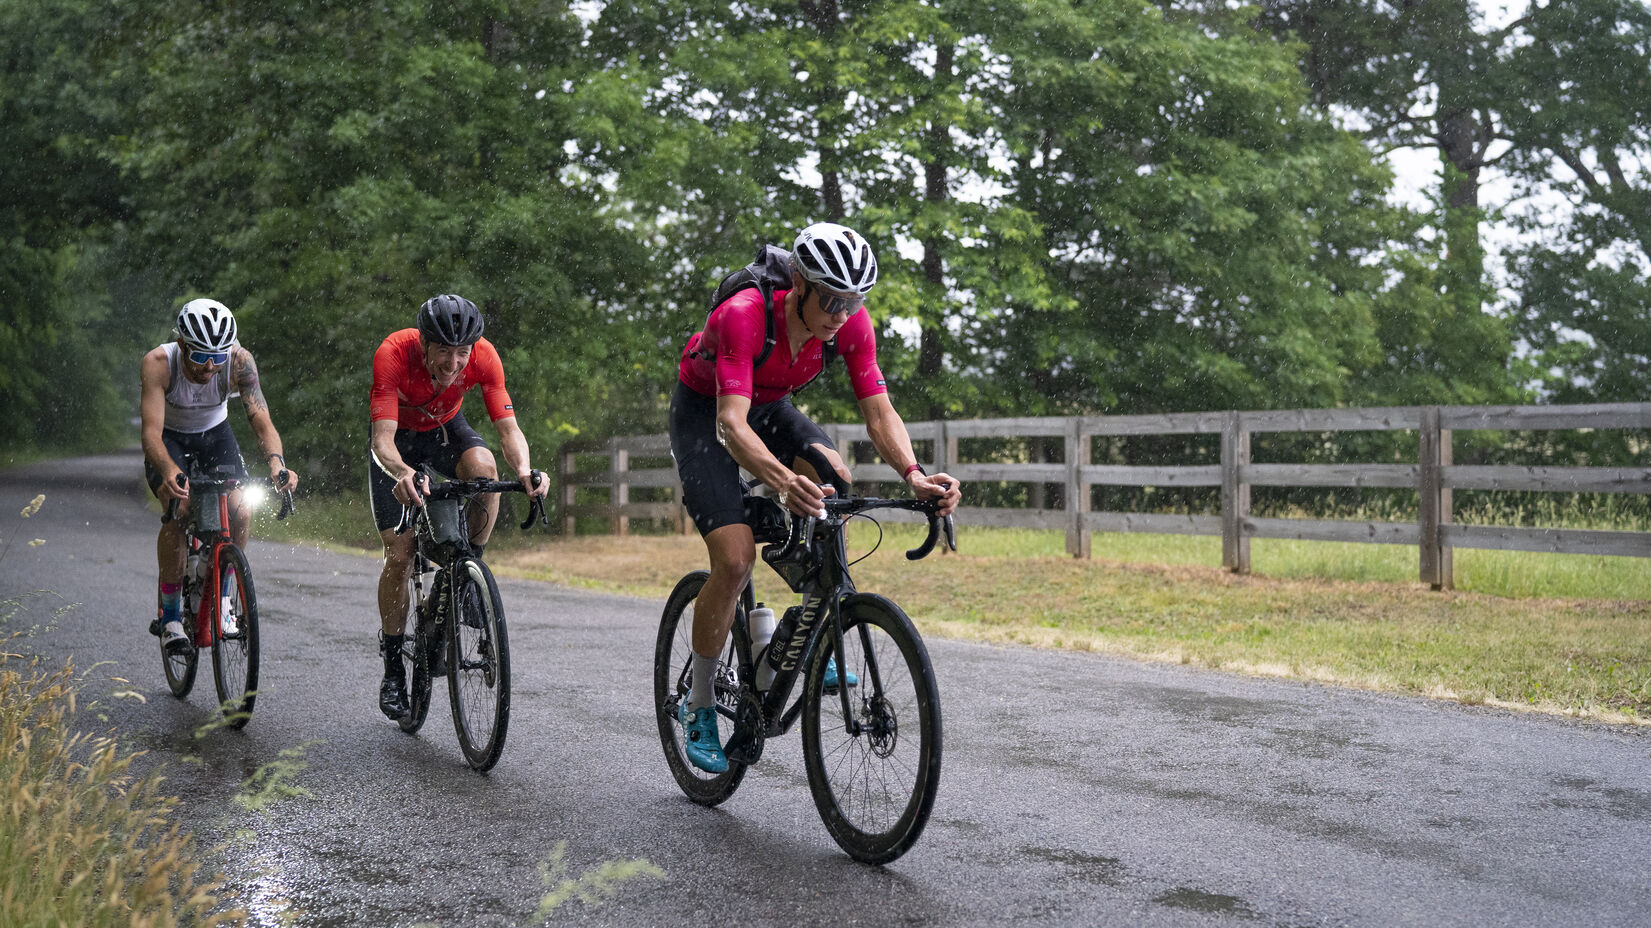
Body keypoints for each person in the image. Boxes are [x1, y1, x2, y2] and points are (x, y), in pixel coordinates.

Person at [669, 221, 962, 773]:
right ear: (799, 283)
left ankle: (809, 626)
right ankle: (700, 705)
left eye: (852, 301)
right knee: (733, 562)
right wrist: (781, 480)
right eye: (829, 297)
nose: (839, 313)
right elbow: (731, 425)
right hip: (706, 415)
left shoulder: (849, 325)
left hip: (769, 406)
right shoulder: (745, 315)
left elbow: (879, 412)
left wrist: (915, 474)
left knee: (835, 483)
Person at [367, 294, 548, 720]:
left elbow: (508, 429)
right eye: (444, 352)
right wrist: (401, 473)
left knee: (485, 471)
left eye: (461, 353)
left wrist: (524, 469)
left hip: (446, 431)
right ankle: (394, 669)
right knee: (400, 554)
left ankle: (465, 570)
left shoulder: (484, 357)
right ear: (424, 344)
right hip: (397, 443)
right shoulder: (393, 353)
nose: (453, 364)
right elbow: (382, 440)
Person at [141, 298, 299, 650]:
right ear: (181, 344)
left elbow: (261, 420)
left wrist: (277, 463)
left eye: (218, 357)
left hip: (215, 434)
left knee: (242, 509)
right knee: (179, 510)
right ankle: (169, 617)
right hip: (171, 438)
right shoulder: (158, 363)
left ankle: (224, 598)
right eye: (199, 357)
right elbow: (151, 433)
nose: (210, 367)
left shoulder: (239, 362)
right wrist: (168, 470)